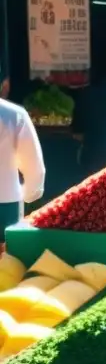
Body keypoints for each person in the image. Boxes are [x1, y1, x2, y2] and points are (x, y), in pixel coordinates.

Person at [0, 70, 45, 240]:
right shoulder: (15, 114)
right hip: (5, 204)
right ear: (4, 84)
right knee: (5, 262)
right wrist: (30, 194)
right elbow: (34, 167)